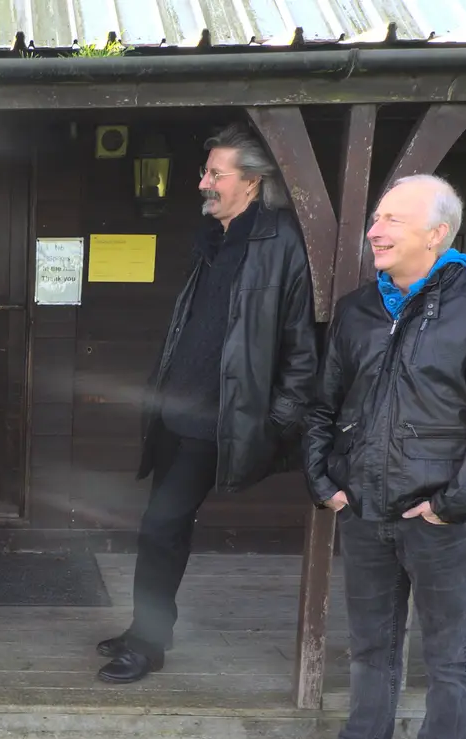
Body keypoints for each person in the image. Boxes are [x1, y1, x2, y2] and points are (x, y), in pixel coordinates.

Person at [282, 174, 466, 739]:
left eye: (392, 218)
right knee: (371, 648)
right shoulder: (360, 309)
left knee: (449, 659)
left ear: (437, 233)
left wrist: (453, 502)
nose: (375, 229)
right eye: (375, 218)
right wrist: (324, 482)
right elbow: (323, 406)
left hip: (439, 519)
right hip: (364, 510)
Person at [97, 123, 317, 684]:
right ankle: (148, 627)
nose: (203, 183)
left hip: (215, 419)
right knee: (163, 525)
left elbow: (299, 344)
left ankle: (147, 643)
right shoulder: (215, 242)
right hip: (176, 413)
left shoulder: (280, 244)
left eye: (216, 174)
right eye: (206, 172)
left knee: (161, 524)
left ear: (252, 181)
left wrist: (280, 420)